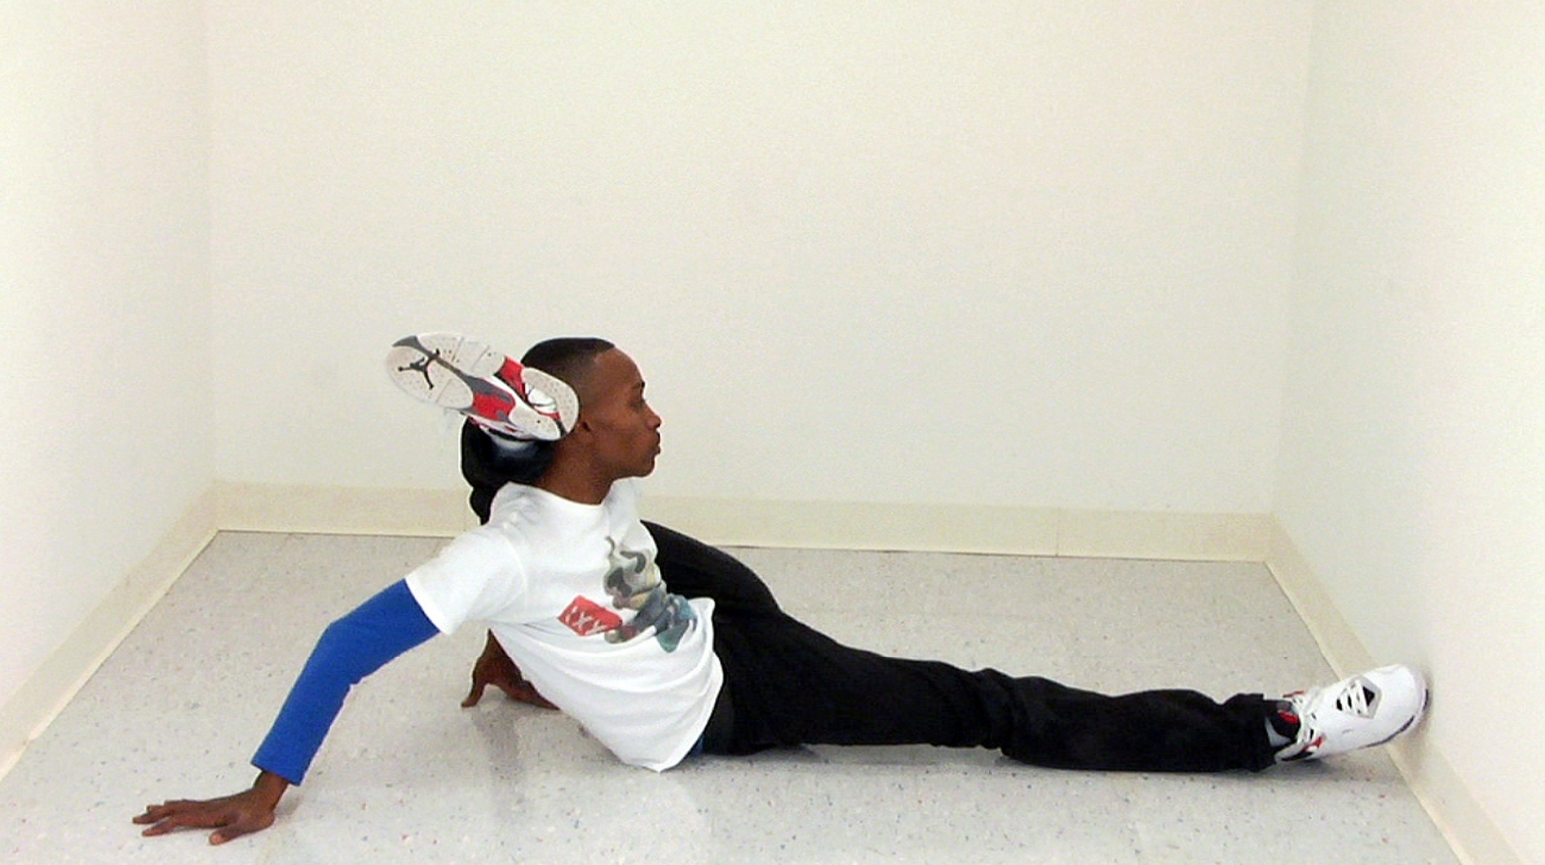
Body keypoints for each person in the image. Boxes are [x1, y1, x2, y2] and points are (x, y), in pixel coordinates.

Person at [133, 333, 1429, 845]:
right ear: (574, 431)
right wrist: (266, 785)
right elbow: (343, 642)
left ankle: (537, 635)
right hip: (723, 702)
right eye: (635, 400)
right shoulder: (508, 549)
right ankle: (1270, 730)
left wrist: (513, 647)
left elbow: (529, 489)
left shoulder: (559, 494)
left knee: (665, 560)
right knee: (979, 703)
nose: (657, 413)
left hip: (688, 606)